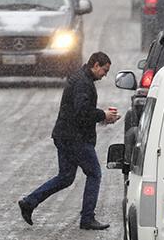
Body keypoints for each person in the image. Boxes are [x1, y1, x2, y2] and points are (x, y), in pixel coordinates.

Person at [18, 52, 121, 230]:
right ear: (95, 65)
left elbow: (80, 112)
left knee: (65, 177)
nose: (105, 75)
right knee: (94, 173)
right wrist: (102, 114)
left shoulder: (81, 78)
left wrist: (101, 118)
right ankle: (87, 218)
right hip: (75, 138)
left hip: (65, 135)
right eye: (104, 70)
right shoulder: (83, 83)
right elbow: (82, 111)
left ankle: (29, 202)